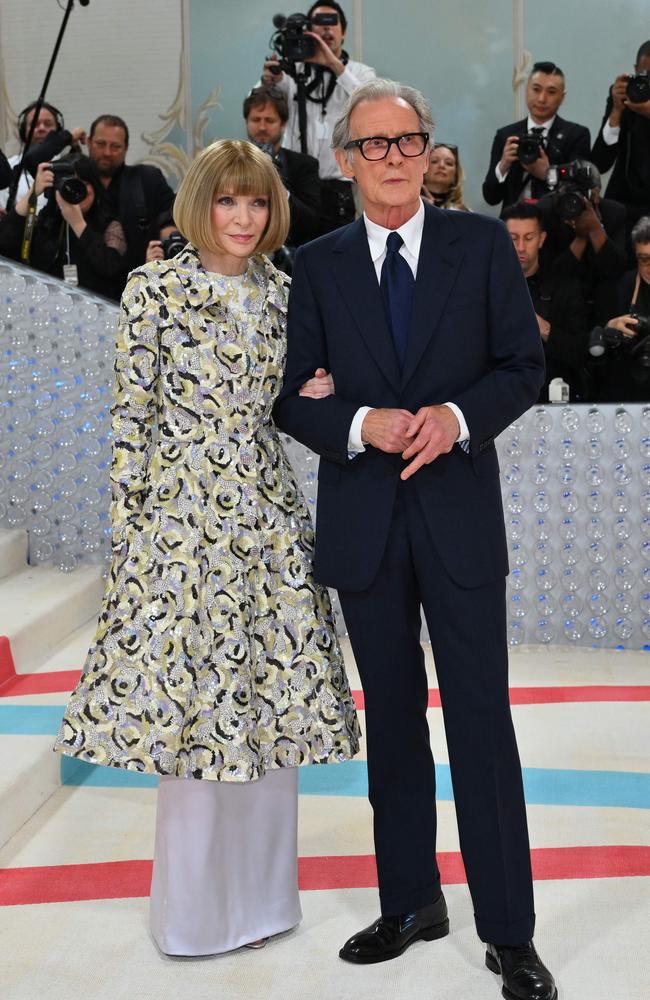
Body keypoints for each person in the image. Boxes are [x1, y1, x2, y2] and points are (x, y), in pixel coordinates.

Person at [274, 78, 557, 1000]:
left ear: (430, 152)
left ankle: (508, 931)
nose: (393, 159)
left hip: (461, 521)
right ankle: (410, 902)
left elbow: (523, 366)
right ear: (345, 159)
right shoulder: (314, 265)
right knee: (391, 724)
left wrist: (453, 415)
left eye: (408, 142)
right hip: (366, 525)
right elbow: (290, 398)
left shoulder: (481, 249)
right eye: (374, 144)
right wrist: (359, 423)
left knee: (482, 723)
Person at [53, 138, 360, 957]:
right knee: (192, 716)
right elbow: (131, 421)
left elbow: (302, 399)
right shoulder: (153, 291)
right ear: (201, 205)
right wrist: (135, 535)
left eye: (257, 203)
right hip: (179, 523)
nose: (242, 217)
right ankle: (192, 916)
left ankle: (265, 903)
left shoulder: (288, 296)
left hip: (266, 516)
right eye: (227, 201)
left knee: (268, 707)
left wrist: (324, 389)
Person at [261, 1, 375, 231]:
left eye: (331, 22)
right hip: (295, 183)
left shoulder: (360, 73)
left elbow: (371, 104)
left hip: (337, 188)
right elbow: (256, 108)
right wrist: (268, 81)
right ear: (308, 31)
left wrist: (332, 64)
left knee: (336, 258)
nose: (325, 30)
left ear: (343, 32)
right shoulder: (293, 71)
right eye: (318, 23)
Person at [0, 156, 129, 301]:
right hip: (45, 307)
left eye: (84, 184)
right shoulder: (48, 219)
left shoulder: (110, 225)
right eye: (70, 184)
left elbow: (112, 269)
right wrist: (32, 193)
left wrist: (78, 224)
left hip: (91, 313)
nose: (76, 190)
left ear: (95, 186)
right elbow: (4, 245)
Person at [503, 201, 589, 399]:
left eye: (529, 238)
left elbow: (580, 352)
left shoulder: (565, 288)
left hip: (553, 395)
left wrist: (544, 328)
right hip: (501, 399)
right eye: (513, 238)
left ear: (541, 239)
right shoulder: (484, 288)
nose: (521, 247)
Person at [482, 61, 590, 214]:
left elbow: (580, 193)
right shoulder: (506, 135)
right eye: (536, 89)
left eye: (551, 92)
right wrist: (503, 165)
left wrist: (548, 174)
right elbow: (490, 197)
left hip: (556, 226)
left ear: (562, 97)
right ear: (526, 90)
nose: (541, 99)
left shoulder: (576, 135)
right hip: (512, 228)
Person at [537, 160, 627, 326]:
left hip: (601, 302)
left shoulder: (614, 213)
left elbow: (616, 270)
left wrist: (595, 229)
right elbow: (552, 275)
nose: (572, 202)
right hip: (561, 305)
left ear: (597, 193)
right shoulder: (546, 212)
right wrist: (581, 238)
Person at [86, 113, 175, 270]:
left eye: (115, 146)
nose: (107, 152)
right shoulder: (76, 183)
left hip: (140, 280)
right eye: (100, 144)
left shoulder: (148, 179)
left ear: (126, 148)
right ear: (88, 142)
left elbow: (169, 220)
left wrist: (169, 247)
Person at [590, 40, 650, 253]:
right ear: (635, 71)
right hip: (622, 206)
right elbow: (600, 162)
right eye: (645, 75)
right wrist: (616, 112)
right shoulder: (625, 95)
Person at [244, 85, 321, 248]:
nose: (262, 127)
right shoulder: (232, 163)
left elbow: (310, 225)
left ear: (283, 123)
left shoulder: (305, 165)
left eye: (269, 120)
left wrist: (276, 184)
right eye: (256, 120)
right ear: (246, 121)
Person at [590, 215, 650, 401]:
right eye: (644, 259)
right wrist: (610, 328)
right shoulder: (620, 287)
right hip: (628, 389)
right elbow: (593, 357)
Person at [0, 100, 86, 213]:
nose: (41, 128)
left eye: (48, 124)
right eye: (34, 124)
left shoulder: (69, 165)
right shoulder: (10, 166)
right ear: (23, 130)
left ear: (58, 129)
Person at [421, 142, 470, 210]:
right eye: (434, 161)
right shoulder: (408, 205)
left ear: (455, 176)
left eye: (449, 163)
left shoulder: (464, 214)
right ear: (423, 171)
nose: (442, 165)